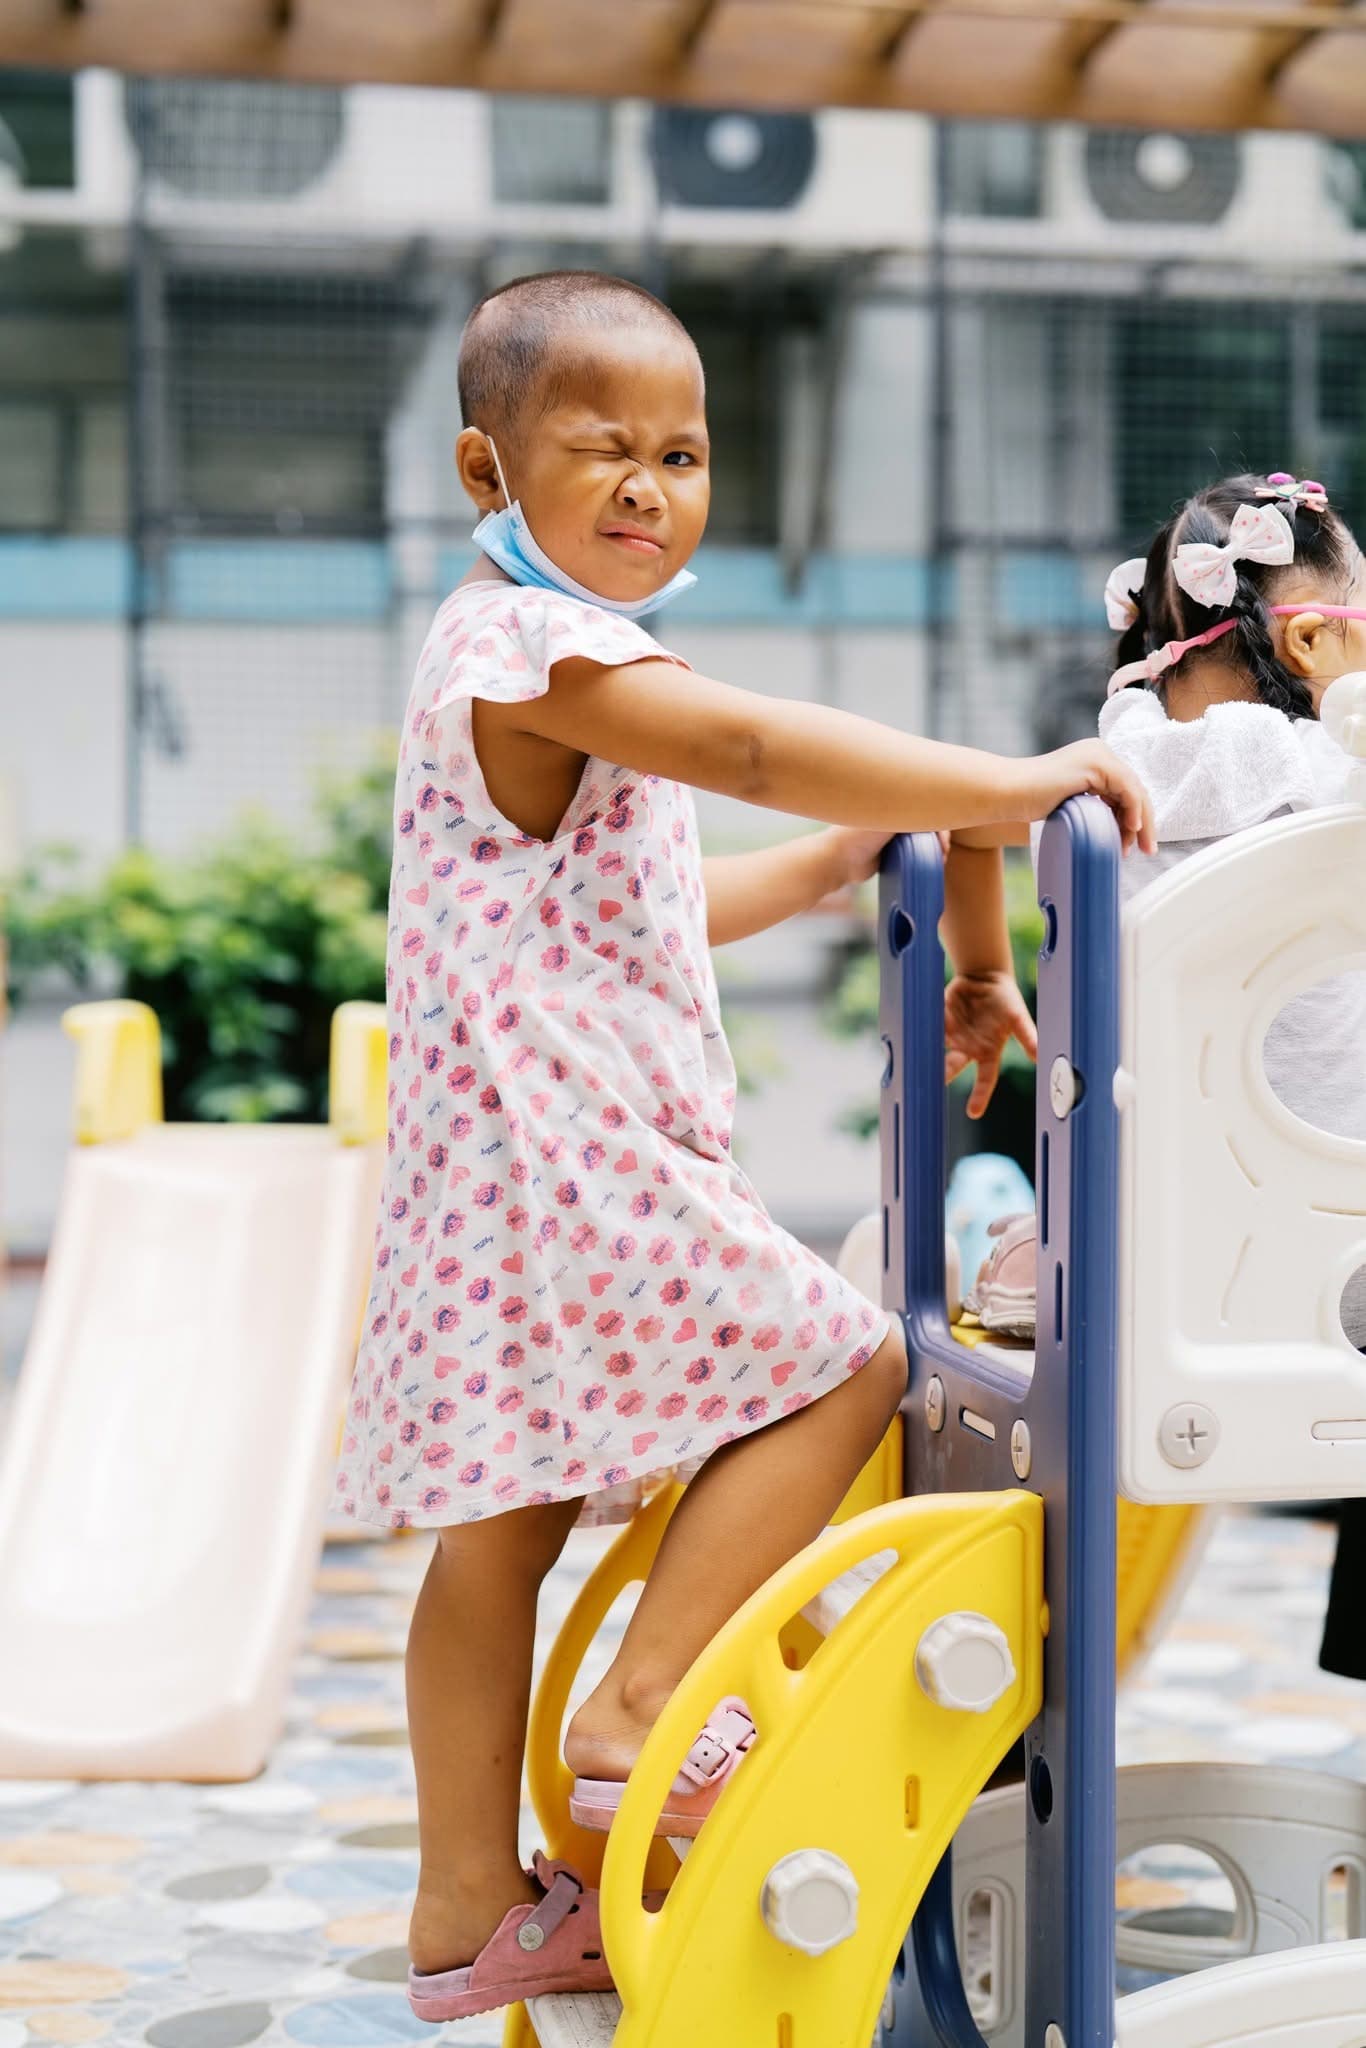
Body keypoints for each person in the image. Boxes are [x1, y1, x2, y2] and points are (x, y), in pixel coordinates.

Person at [330, 269, 1153, 2024]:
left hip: (498, 1168)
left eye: (684, 453)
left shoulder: (520, 659)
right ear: (491, 471)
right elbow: (757, 743)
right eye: (600, 449)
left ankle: (466, 1913)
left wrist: (877, 855)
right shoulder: (535, 649)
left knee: (499, 1533)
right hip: (567, 1154)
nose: (650, 486)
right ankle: (639, 1710)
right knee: (838, 1361)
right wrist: (1015, 780)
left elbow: (661, 906)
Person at [950, 470, 1366, 1684]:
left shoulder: (1089, 789)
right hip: (1323, 1276)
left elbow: (949, 830)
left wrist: (980, 971)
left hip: (1130, 1258)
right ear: (1307, 639)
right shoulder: (1320, 769)